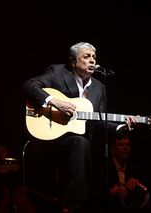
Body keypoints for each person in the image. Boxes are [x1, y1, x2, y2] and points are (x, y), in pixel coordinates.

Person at [22, 42, 138, 212]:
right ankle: (76, 204)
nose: (92, 61)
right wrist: (53, 101)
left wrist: (120, 128)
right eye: (86, 56)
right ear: (73, 60)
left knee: (84, 144)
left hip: (78, 145)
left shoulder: (99, 87)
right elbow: (29, 85)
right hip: (49, 140)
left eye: (94, 58)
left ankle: (83, 202)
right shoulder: (57, 72)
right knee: (81, 143)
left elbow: (98, 121)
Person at [91, 133, 149, 208]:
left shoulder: (135, 168)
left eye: (128, 145)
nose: (126, 148)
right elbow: (93, 194)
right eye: (121, 145)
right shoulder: (102, 168)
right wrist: (110, 193)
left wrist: (138, 185)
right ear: (112, 149)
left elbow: (144, 194)